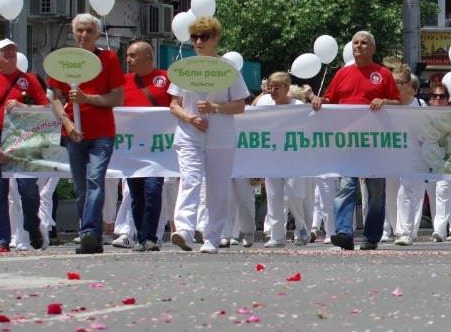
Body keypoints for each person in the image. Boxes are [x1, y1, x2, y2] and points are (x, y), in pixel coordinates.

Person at [310, 31, 400, 251]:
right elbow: (330, 99)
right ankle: (344, 233)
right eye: (355, 43)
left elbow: (398, 104)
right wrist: (320, 101)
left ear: (373, 48)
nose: (359, 46)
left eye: (364, 43)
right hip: (347, 141)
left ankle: (371, 237)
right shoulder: (342, 74)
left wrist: (385, 101)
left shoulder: (383, 74)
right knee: (345, 186)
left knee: (376, 191)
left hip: (375, 142)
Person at [168, 17, 250, 253]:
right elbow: (174, 104)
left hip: (220, 136)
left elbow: (240, 104)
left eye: (203, 37)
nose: (198, 42)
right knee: (190, 179)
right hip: (189, 134)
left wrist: (215, 108)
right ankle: (184, 229)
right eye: (194, 37)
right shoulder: (184, 67)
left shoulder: (228, 69)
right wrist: (190, 118)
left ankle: (212, 237)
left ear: (215, 39)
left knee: (218, 187)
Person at [49, 14, 125, 254]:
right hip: (74, 134)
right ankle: (93, 236)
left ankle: (89, 231)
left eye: (89, 30)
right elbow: (55, 98)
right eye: (80, 30)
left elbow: (117, 97)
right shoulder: (64, 60)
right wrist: (66, 122)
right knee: (81, 188)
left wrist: (86, 98)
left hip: (102, 133)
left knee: (95, 180)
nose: (84, 35)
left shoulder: (109, 59)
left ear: (97, 34)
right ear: (74, 34)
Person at [0, 38, 50, 252]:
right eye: (5, 50)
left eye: (13, 50)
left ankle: (32, 226)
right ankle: (1, 239)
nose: (10, 53)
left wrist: (22, 106)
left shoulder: (29, 80)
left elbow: (46, 109)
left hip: (23, 138)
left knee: (28, 189)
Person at [112, 41, 169, 252]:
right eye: (127, 55)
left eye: (132, 55)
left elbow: (178, 104)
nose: (127, 60)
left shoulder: (166, 79)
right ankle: (141, 236)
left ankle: (150, 237)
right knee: (137, 194)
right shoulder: (123, 82)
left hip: (158, 148)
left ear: (148, 58)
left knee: (153, 190)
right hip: (132, 149)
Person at [259, 72, 310, 248]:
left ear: (287, 88)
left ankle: (301, 225)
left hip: (293, 157)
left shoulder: (298, 106)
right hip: (271, 156)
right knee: (274, 197)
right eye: (270, 87)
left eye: (277, 88)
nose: (272, 91)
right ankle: (277, 236)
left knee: (294, 194)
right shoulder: (264, 103)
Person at [385, 67, 426, 246]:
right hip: (391, 158)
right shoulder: (387, 106)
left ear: (409, 85)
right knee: (392, 195)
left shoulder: (419, 106)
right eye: (392, 82)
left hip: (414, 158)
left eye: (399, 83)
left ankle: (406, 231)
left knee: (406, 192)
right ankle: (398, 230)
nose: (395, 86)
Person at [423, 82, 451, 242]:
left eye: (442, 96)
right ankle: (439, 230)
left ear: (447, 99)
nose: (438, 99)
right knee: (440, 195)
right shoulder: (424, 117)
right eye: (435, 96)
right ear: (430, 99)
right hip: (436, 161)